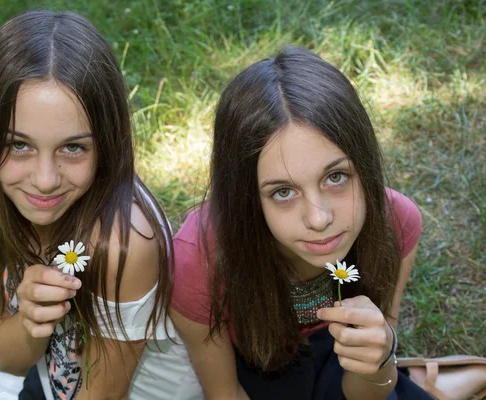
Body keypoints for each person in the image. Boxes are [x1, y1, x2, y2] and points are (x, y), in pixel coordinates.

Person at [169, 46, 484, 400]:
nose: (320, 218)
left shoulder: (396, 223)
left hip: (344, 365)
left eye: (336, 177)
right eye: (283, 192)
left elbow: (367, 392)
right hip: (260, 367)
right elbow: (225, 393)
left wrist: (380, 360)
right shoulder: (199, 262)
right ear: (246, 197)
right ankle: (434, 384)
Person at [0, 10, 203, 400]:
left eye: (72, 147)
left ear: (105, 143)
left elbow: (103, 394)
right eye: (18, 144)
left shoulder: (124, 244)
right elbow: (8, 359)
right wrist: (27, 318)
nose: (44, 179)